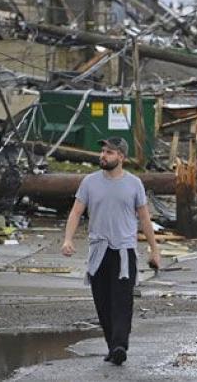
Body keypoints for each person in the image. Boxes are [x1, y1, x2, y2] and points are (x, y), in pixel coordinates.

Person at [61, 137, 160, 366]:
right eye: (103, 151)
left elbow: (144, 217)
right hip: (98, 251)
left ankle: (119, 345)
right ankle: (112, 346)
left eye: (109, 152)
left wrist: (154, 249)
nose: (103, 156)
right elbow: (76, 212)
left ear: (121, 157)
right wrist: (68, 239)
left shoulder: (134, 183)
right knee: (103, 302)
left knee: (122, 301)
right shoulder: (89, 182)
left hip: (124, 251)